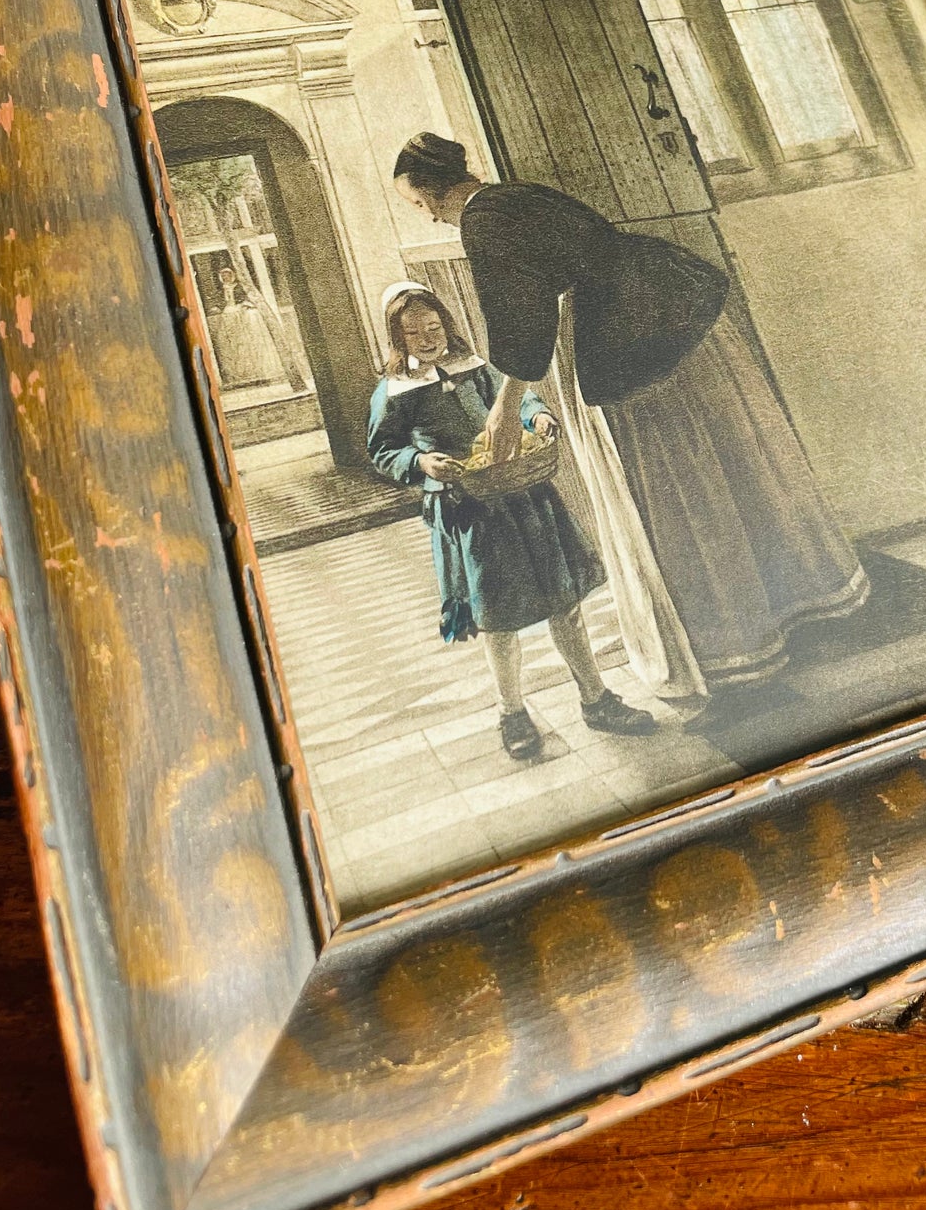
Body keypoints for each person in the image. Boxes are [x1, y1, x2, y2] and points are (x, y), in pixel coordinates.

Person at [392, 135, 868, 689]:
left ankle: (731, 636)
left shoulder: (485, 221)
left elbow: (522, 318)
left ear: (431, 194)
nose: (426, 220)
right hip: (667, 305)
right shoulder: (513, 196)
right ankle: (802, 597)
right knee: (726, 457)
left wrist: (504, 408)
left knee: (676, 480)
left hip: (626, 337)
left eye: (418, 206)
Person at [366, 281, 656, 761]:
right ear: (397, 338)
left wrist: (537, 417)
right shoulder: (394, 392)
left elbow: (516, 401)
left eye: (434, 326)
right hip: (472, 511)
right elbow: (383, 450)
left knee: (565, 603)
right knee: (498, 619)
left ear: (447, 324)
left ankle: (596, 699)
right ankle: (512, 712)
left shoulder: (474, 367)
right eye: (413, 332)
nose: (427, 337)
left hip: (523, 496)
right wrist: (420, 463)